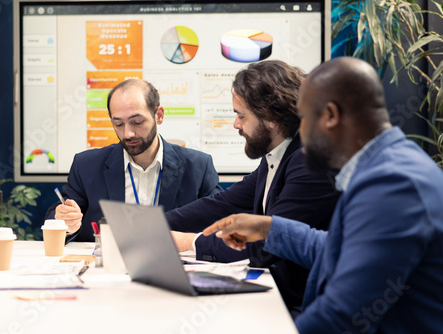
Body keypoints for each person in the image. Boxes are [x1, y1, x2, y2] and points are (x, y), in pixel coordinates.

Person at [203, 57, 443, 333]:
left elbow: (342, 314)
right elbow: (339, 249)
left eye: (303, 118)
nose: (300, 131)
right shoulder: (388, 166)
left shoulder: (392, 185)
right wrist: (269, 228)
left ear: (330, 115)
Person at [167, 60, 340, 311]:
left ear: (271, 117)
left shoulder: (309, 162)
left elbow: (269, 243)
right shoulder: (280, 154)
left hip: (304, 307)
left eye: (241, 115)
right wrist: (158, 226)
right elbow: (224, 204)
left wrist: (185, 242)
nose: (236, 124)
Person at [45, 79, 222, 242]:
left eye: (137, 122)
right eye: (119, 124)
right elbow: (58, 215)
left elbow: (221, 224)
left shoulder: (198, 167)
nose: (128, 133)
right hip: (104, 269)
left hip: (173, 267)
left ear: (158, 115)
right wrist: (63, 221)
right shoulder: (86, 166)